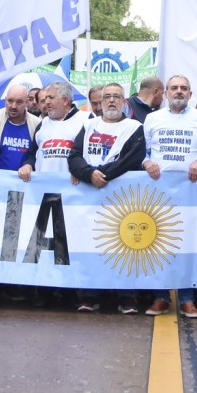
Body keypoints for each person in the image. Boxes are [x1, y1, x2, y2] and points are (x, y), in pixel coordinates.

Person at [70, 83, 147, 314]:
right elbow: (74, 156)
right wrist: (88, 174)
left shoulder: (134, 128)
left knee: (123, 247)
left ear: (124, 101)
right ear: (101, 101)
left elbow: (131, 159)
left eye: (116, 97)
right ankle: (89, 294)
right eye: (107, 97)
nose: (111, 100)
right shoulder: (88, 125)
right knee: (91, 245)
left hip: (120, 200)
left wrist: (101, 175)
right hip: (90, 199)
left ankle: (126, 296)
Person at [142, 74, 197, 318]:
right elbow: (143, 151)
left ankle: (187, 298)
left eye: (184, 88)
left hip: (191, 194)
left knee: (188, 244)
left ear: (190, 94)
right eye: (174, 88)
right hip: (159, 193)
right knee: (159, 242)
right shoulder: (152, 119)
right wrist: (147, 162)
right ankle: (161, 296)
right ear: (166, 93)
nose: (179, 91)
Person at [19, 81, 91, 308]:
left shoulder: (86, 121)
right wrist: (28, 164)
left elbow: (90, 153)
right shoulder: (42, 124)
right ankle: (45, 290)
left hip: (73, 195)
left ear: (65, 100)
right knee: (45, 243)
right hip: (45, 195)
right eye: (45, 98)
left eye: (50, 97)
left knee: (68, 243)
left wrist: (81, 170)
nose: (45, 102)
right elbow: (33, 152)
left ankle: (69, 291)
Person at [0, 83, 40, 302]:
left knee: (20, 239)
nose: (13, 106)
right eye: (10, 101)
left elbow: (36, 152)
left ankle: (18, 285)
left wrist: (30, 165)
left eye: (19, 102)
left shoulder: (37, 124)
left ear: (27, 103)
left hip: (25, 192)